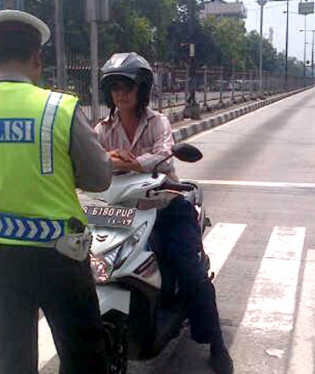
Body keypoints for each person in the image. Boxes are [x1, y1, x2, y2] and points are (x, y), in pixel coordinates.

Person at [0, 10, 112, 374]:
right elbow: (100, 178)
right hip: (58, 257)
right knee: (83, 354)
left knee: (11, 357)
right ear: (37, 59)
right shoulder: (59, 108)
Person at [94, 52, 234, 374]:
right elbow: (94, 162)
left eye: (127, 85)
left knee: (190, 272)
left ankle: (216, 344)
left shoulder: (158, 123)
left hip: (166, 207)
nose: (121, 92)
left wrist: (127, 161)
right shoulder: (102, 129)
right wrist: (112, 162)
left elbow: (163, 156)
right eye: (114, 86)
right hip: (120, 211)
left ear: (142, 89)